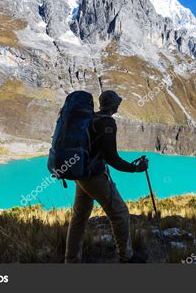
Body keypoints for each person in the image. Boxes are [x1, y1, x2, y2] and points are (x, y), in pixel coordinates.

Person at [65, 90, 149, 263]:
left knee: (79, 217)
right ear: (113, 105)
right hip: (95, 176)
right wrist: (136, 168)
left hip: (80, 174)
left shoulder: (90, 118)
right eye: (117, 102)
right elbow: (112, 158)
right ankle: (127, 257)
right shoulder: (107, 122)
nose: (119, 105)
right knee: (120, 213)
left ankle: (71, 260)